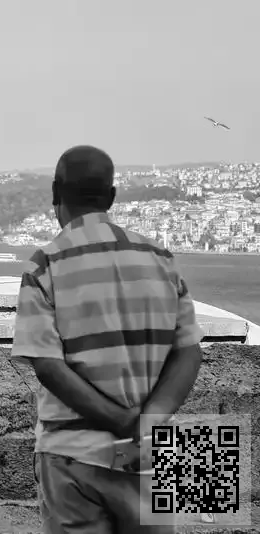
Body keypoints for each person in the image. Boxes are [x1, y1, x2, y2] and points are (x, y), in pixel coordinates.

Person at [10, 145, 204, 533]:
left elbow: (48, 367)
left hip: (72, 453)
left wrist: (120, 420)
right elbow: (189, 353)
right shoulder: (161, 257)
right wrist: (147, 422)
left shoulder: (46, 263)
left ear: (55, 192)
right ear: (111, 197)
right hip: (152, 453)